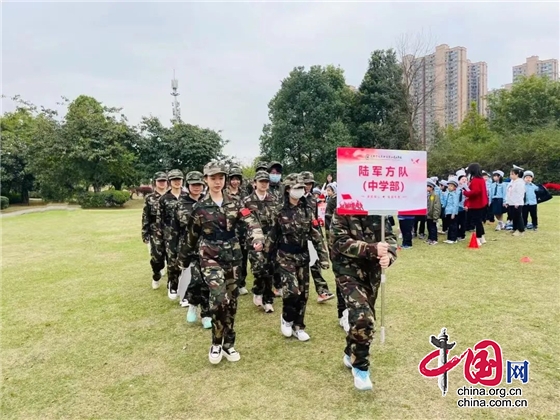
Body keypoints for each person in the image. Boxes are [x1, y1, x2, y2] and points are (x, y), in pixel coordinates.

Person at [182, 161, 264, 364]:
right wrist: (184, 260)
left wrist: (257, 237)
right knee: (218, 298)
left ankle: (229, 343)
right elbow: (191, 237)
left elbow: (250, 220)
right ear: (206, 180)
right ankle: (216, 343)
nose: (217, 182)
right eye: (213, 178)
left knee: (232, 302)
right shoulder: (199, 208)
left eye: (221, 177)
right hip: (209, 256)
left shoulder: (235, 202)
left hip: (233, 257)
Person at [330, 212, 398, 391]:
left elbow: (390, 237)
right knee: (363, 317)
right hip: (348, 272)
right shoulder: (342, 210)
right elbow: (339, 242)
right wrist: (371, 248)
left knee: (362, 317)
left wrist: (389, 255)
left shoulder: (379, 209)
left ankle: (349, 352)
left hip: (372, 274)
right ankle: (361, 367)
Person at [265, 174, 329, 342]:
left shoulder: (307, 209)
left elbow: (315, 235)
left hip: (303, 256)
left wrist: (323, 257)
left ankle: (298, 326)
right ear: (287, 190)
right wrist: (266, 256)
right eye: (296, 188)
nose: (300, 190)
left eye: (302, 187)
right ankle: (287, 318)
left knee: (304, 294)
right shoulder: (278, 210)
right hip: (285, 256)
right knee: (292, 291)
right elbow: (272, 235)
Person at [177, 171, 211, 329]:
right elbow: (185, 221)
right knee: (196, 280)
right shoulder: (182, 203)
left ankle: (206, 314)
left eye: (199, 184)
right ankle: (192, 304)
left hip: (208, 247)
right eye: (193, 184)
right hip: (190, 247)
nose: (196, 187)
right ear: (188, 186)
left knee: (207, 281)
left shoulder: (208, 201)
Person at [242, 170, 280, 313]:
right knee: (259, 269)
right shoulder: (247, 201)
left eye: (266, 182)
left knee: (270, 269)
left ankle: (268, 300)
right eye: (261, 182)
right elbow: (247, 221)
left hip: (271, 240)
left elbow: (277, 220)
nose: (264, 184)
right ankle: (258, 290)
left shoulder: (274, 200)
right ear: (254, 183)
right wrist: (257, 239)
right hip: (254, 240)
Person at [300, 171, 335, 303]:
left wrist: (318, 235)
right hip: (296, 237)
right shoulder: (293, 198)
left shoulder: (313, 200)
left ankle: (322, 291)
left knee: (315, 263)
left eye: (310, 183)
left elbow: (315, 220)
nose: (308, 186)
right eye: (305, 183)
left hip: (312, 235)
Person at [158, 169, 189, 300]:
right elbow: (160, 219)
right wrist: (161, 237)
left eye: (179, 179)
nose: (177, 182)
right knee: (172, 262)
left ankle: (185, 289)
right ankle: (173, 284)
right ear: (170, 182)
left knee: (186, 261)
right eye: (174, 180)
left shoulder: (187, 197)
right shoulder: (164, 198)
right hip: (170, 236)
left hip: (186, 235)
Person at [142, 171, 169, 289]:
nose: (162, 183)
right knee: (157, 258)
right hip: (155, 232)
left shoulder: (171, 197)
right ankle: (156, 275)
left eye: (164, 181)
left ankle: (172, 286)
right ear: (155, 183)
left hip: (170, 232)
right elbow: (145, 216)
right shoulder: (150, 198)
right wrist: (145, 233)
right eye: (160, 181)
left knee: (172, 257)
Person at [226, 165, 250, 295]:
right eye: (232, 179)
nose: (235, 182)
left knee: (243, 257)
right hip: (229, 230)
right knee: (229, 258)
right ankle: (230, 283)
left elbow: (247, 211)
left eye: (237, 179)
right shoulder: (224, 194)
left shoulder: (244, 193)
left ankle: (241, 283)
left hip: (243, 230)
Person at [463, 163, 489, 246]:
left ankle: (478, 238)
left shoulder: (475, 180)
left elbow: (475, 192)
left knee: (477, 221)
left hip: (476, 204)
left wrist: (465, 192)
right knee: (479, 221)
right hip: (482, 203)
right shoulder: (481, 179)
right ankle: (482, 237)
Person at [505, 167, 525, 236]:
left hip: (517, 203)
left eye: (512, 174)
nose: (511, 175)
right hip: (511, 202)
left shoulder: (520, 182)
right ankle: (514, 228)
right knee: (513, 216)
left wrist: (517, 202)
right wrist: (507, 201)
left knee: (518, 216)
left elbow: (520, 193)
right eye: (510, 174)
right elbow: (508, 192)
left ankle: (521, 230)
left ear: (517, 175)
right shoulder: (511, 182)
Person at [443, 179, 460, 244]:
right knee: (449, 226)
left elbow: (455, 205)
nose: (449, 187)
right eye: (449, 186)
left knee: (453, 226)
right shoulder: (447, 193)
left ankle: (453, 239)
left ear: (455, 187)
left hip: (452, 212)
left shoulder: (455, 195)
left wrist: (453, 213)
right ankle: (449, 238)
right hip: (447, 212)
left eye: (451, 186)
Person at [426, 179, 442, 245]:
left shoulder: (435, 195)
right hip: (428, 215)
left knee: (433, 228)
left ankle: (434, 239)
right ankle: (430, 238)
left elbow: (437, 207)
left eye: (427, 186)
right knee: (429, 227)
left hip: (433, 215)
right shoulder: (429, 195)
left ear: (431, 187)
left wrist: (435, 216)